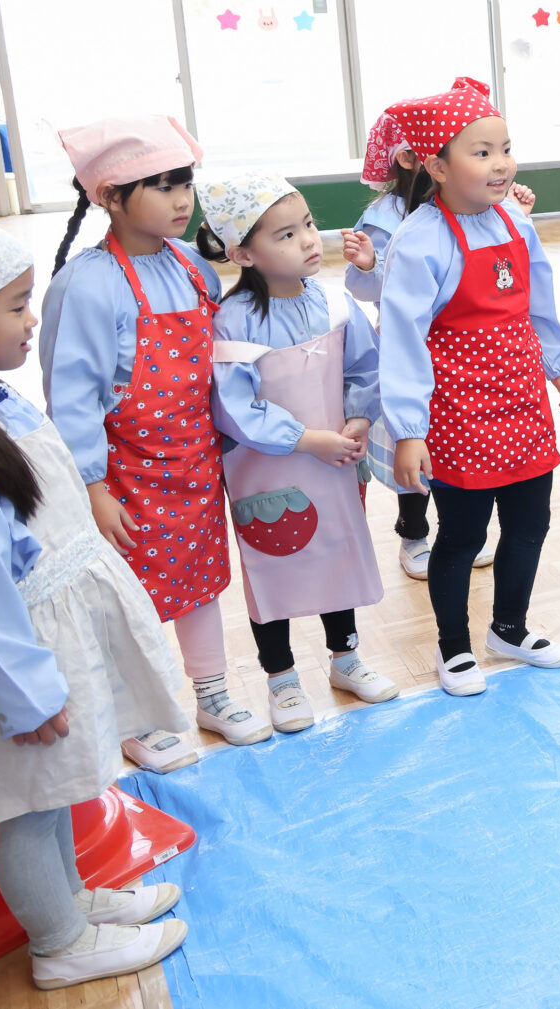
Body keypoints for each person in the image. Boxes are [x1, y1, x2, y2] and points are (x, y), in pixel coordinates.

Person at [0, 220, 192, 990]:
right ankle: (59, 941)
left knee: (63, 785)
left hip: (50, 636)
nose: (32, 318)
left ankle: (71, 900)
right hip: (20, 658)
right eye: (15, 305)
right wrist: (23, 692)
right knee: (31, 805)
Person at [40, 116, 267, 763]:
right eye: (161, 186)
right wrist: (91, 487)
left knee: (199, 581)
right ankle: (134, 717)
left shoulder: (192, 267)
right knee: (126, 596)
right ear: (110, 197)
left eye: (184, 183)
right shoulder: (87, 285)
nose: (180, 199)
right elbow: (72, 398)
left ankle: (213, 694)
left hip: (194, 463)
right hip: (123, 475)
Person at [376, 77, 560, 696]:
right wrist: (409, 431)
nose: (501, 164)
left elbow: (539, 300)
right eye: (482, 152)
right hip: (459, 411)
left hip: (521, 399)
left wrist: (559, 367)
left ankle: (509, 629)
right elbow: (402, 338)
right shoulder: (420, 238)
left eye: (506, 149)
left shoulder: (515, 221)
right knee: (463, 536)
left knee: (530, 522)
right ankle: (453, 649)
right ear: (438, 167)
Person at [200, 174, 398, 733]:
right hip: (267, 474)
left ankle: (346, 658)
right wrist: (307, 439)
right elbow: (234, 407)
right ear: (242, 253)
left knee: (338, 553)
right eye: (286, 235)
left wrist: (359, 417)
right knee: (273, 569)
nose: (309, 239)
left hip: (334, 466)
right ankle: (282, 678)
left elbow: (365, 368)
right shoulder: (232, 320)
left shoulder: (335, 302)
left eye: (308, 224)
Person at [341, 113, 525, 580]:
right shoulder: (385, 217)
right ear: (415, 159)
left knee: (452, 455)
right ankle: (414, 534)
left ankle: (456, 532)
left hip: (462, 358)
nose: (493, 161)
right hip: (411, 352)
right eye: (479, 151)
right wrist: (368, 266)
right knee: (412, 450)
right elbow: (367, 289)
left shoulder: (474, 201)